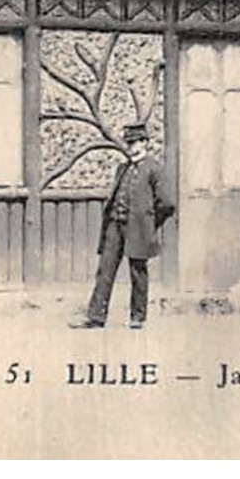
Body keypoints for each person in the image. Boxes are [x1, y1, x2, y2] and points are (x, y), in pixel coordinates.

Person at [81, 123, 174, 329]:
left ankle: (137, 318)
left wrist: (150, 222)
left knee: (137, 271)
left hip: (139, 227)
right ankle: (96, 316)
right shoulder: (122, 169)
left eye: (135, 142)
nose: (131, 146)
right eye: (129, 142)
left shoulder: (154, 169)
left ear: (145, 143)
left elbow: (167, 204)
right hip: (115, 225)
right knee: (105, 270)